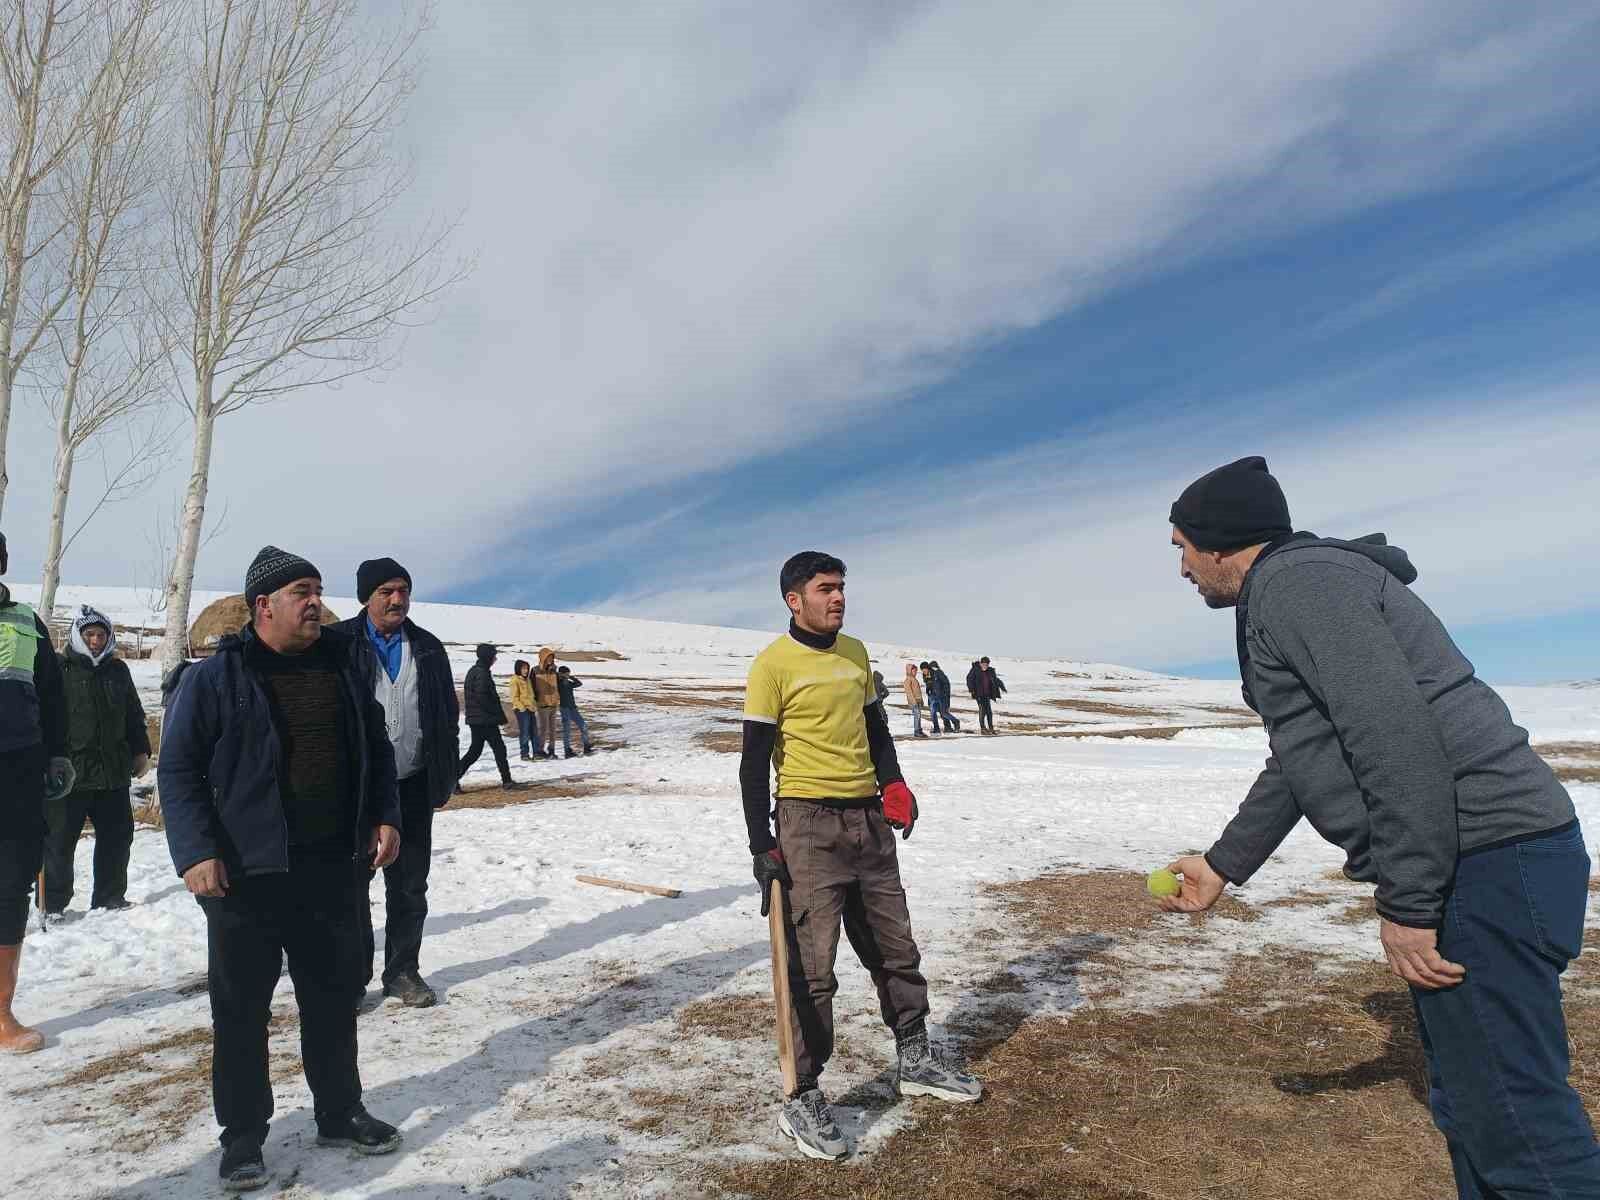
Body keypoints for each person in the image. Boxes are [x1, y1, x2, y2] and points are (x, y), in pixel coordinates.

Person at [1158, 457, 1599, 1198]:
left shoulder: (1301, 586)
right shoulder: (1293, 588)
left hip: (1485, 859)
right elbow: (1307, 750)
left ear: (1221, 543)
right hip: (1486, 858)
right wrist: (1224, 862)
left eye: (1181, 548)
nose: (1182, 568)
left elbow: (1394, 738)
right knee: (1474, 1106)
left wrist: (1412, 903)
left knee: (1518, 1126)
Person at [159, 546, 405, 1190]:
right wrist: (196, 852)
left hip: (330, 868)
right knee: (241, 1011)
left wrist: (387, 814)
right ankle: (242, 1137)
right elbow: (178, 770)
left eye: (318, 591)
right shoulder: (216, 677)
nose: (316, 603)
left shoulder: (343, 667)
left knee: (332, 997)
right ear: (263, 605)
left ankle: (339, 1110)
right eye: (303, 591)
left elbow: (376, 748)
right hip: (247, 876)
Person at [742, 551, 980, 1162]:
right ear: (794, 600)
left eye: (842, 587)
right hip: (807, 825)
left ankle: (915, 1055)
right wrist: (762, 845)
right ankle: (804, 1091)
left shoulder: (855, 655)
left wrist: (894, 782)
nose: (839, 598)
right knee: (812, 965)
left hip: (868, 820)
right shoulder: (771, 666)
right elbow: (751, 763)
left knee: (894, 945)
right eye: (826, 589)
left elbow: (877, 730)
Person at [337, 558, 461, 1009]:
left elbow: (446, 714)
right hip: (353, 793)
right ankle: (351, 979)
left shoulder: (427, 647)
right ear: (366, 596)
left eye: (404, 590)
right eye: (387, 591)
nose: (397, 599)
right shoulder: (338, 644)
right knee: (351, 888)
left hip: (411, 784)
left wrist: (443, 775)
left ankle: (403, 971)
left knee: (409, 885)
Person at [0, 530, 71, 1054]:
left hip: (18, 776)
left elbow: (52, 696)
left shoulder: (28, 623)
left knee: (9, 888)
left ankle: (0, 1014)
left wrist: (59, 754)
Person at [42, 605, 149, 916]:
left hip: (112, 771)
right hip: (68, 772)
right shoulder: (58, 669)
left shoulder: (118, 671)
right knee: (59, 842)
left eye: (101, 634)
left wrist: (140, 750)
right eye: (89, 634)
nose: (95, 640)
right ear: (78, 635)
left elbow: (134, 715)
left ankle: (110, 897)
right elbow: (44, 717)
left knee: (118, 837)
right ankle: (52, 904)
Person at [458, 643, 515, 789]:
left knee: (475, 751)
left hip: (478, 719)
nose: (495, 659)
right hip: (485, 720)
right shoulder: (481, 673)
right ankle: (507, 781)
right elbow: (482, 698)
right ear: (487, 657)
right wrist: (497, 715)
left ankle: (452, 780)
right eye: (493, 656)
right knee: (499, 749)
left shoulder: (476, 671)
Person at [555, 666, 594, 758]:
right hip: (564, 709)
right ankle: (567, 751)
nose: (568, 675)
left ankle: (586, 746)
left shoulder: (569, 683)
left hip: (573, 709)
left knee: (583, 726)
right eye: (567, 673)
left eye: (569, 673)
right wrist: (560, 676)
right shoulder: (557, 683)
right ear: (561, 674)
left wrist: (571, 677)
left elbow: (579, 683)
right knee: (567, 730)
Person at [531, 648, 560, 759]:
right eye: (548, 657)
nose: (550, 659)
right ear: (542, 658)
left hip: (553, 704)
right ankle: (539, 750)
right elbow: (532, 687)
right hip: (542, 704)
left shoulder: (554, 671)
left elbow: (558, 686)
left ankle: (551, 750)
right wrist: (535, 700)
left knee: (553, 729)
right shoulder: (535, 670)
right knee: (543, 729)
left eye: (552, 657)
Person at [509, 659, 538, 760]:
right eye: (523, 668)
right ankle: (524, 754)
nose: (526, 670)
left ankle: (536, 753)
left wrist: (534, 705)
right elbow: (514, 697)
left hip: (531, 708)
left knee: (534, 732)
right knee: (525, 732)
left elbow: (532, 695)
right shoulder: (515, 680)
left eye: (527, 668)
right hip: (521, 710)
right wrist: (522, 708)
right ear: (518, 669)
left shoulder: (528, 680)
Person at [973, 656, 1006, 736]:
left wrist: (1002, 687)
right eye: (983, 664)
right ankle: (983, 728)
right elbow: (969, 680)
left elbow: (996, 680)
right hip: (979, 695)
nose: (985, 666)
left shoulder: (990, 671)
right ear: (981, 664)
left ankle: (991, 728)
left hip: (987, 695)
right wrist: (972, 691)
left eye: (986, 664)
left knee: (989, 712)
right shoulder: (975, 671)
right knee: (982, 711)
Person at [929, 661, 959, 732]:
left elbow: (946, 684)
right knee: (942, 712)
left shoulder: (939, 673)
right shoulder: (935, 674)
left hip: (942, 696)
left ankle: (956, 721)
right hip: (937, 696)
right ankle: (947, 727)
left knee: (944, 712)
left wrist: (945, 694)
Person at [902, 663, 928, 739]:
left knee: (919, 716)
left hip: (918, 701)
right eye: (914, 671)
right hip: (914, 702)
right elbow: (909, 692)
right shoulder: (908, 680)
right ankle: (917, 731)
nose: (915, 672)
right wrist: (914, 702)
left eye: (916, 671)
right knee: (917, 716)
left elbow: (918, 691)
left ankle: (919, 730)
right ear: (910, 671)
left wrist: (921, 701)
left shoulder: (914, 679)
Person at [919, 662, 943, 737]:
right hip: (931, 695)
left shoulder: (934, 673)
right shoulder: (924, 675)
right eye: (922, 670)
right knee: (932, 712)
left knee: (942, 711)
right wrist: (928, 690)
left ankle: (949, 724)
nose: (923, 671)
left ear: (927, 668)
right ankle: (936, 728)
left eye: (924, 669)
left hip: (937, 695)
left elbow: (938, 684)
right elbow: (928, 683)